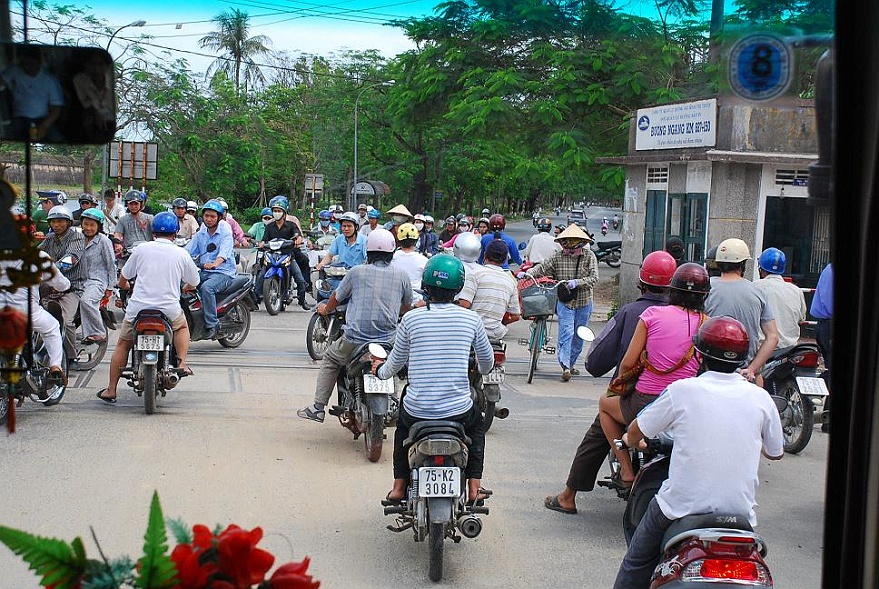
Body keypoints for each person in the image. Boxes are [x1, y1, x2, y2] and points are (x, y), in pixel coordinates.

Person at [613, 316, 784, 589]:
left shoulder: (682, 391)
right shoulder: (760, 397)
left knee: (636, 562)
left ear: (700, 355)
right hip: (740, 514)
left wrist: (634, 441)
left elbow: (636, 432)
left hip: (678, 509)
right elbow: (775, 452)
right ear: (742, 358)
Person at [544, 250, 676, 515]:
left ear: (641, 281)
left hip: (636, 396)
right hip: (678, 401)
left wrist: (598, 367)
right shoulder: (691, 317)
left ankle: (570, 496)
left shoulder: (632, 313)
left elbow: (600, 359)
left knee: (599, 430)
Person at [376, 254, 494, 503]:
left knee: (401, 431)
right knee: (477, 428)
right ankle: (474, 487)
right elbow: (487, 362)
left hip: (418, 411)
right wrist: (480, 370)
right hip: (458, 411)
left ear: (427, 286)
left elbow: (395, 362)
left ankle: (399, 487)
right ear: (458, 288)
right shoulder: (472, 319)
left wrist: (379, 371)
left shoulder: (411, 319)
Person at [598, 262, 710, 487]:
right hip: (685, 404)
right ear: (704, 295)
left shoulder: (652, 315)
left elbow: (628, 362)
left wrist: (624, 381)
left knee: (604, 405)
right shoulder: (707, 324)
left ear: (672, 290)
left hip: (645, 399)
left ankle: (626, 470)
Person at [297, 228, 412, 423]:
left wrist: (326, 309)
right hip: (387, 340)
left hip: (355, 339)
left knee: (331, 359)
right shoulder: (401, 275)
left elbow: (336, 297)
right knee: (394, 365)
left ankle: (318, 408)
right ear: (392, 252)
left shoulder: (357, 272)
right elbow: (406, 305)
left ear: (368, 252)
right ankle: (393, 403)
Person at [96, 212, 200, 403]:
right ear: (175, 233)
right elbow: (194, 281)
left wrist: (125, 286)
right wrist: (186, 287)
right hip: (168, 310)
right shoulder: (181, 253)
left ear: (152, 232)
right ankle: (183, 363)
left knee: (123, 344)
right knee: (182, 327)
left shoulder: (141, 249)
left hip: (138, 309)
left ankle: (111, 389)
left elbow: (124, 278)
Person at [520, 223, 598, 381]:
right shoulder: (556, 256)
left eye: (573, 245)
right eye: (567, 244)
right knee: (566, 333)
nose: (570, 248)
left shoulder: (590, 257)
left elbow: (594, 278)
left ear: (581, 244)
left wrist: (578, 282)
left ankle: (571, 362)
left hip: (584, 301)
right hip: (564, 301)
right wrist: (527, 273)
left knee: (578, 334)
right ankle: (565, 366)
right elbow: (541, 268)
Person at [704, 238, 778, 382]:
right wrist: (751, 369)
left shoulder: (706, 289)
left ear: (718, 264)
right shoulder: (758, 292)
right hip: (745, 376)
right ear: (743, 264)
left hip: (708, 372)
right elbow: (773, 337)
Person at [0, 250, 70, 384]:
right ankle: (55, 366)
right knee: (52, 328)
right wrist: (67, 286)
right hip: (26, 311)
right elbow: (60, 283)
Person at [38, 206, 86, 362]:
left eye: (60, 221)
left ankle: (71, 357)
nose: (56, 225)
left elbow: (71, 259)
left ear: (68, 222)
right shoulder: (49, 239)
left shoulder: (77, 238)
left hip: (72, 287)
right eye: (53, 222)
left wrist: (49, 270)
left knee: (67, 321)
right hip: (50, 286)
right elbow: (36, 255)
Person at [185, 200, 237, 339]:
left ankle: (212, 324)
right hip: (204, 271)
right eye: (206, 216)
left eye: (212, 216)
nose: (209, 219)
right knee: (181, 285)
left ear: (219, 218)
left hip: (223, 272)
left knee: (207, 288)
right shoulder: (201, 233)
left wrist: (215, 263)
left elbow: (223, 254)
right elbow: (188, 250)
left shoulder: (225, 232)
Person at [255, 195, 311, 311]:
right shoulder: (269, 226)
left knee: (300, 279)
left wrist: (298, 240)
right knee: (261, 276)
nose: (277, 213)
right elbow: (264, 240)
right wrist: (261, 244)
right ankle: (255, 299)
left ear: (284, 212)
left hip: (288, 256)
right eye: (275, 211)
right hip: (272, 255)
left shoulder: (291, 225)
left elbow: (298, 235)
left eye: (279, 211)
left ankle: (302, 299)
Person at [457, 239, 521, 340]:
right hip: (496, 333)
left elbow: (465, 304)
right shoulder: (511, 281)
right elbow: (516, 316)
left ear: (485, 255)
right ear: (505, 260)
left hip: (473, 331)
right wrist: (501, 323)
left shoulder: (475, 274)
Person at [0, 44, 64, 142]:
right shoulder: (14, 70)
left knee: (58, 140)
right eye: (23, 64)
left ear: (38, 61)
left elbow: (56, 108)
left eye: (30, 63)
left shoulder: (50, 79)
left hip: (42, 119)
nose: (26, 68)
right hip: (19, 118)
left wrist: (44, 125)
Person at [754, 247, 807, 349]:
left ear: (761, 268)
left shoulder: (754, 288)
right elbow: (801, 319)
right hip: (789, 350)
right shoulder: (796, 290)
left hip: (761, 349)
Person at [77, 209, 115, 343]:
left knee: (86, 301)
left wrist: (110, 288)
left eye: (92, 225)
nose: (88, 228)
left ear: (99, 226)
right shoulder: (77, 238)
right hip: (78, 280)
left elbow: (111, 264)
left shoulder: (103, 241)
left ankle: (99, 331)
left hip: (97, 281)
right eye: (85, 224)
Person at [72, 51, 114, 139]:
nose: (96, 68)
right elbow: (85, 103)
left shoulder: (111, 82)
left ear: (106, 67)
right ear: (85, 65)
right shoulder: (81, 80)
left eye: (100, 64)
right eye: (92, 64)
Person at [391, 222, 429, 304]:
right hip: (415, 302)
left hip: (394, 301)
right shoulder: (423, 260)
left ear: (399, 239)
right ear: (416, 240)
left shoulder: (391, 259)